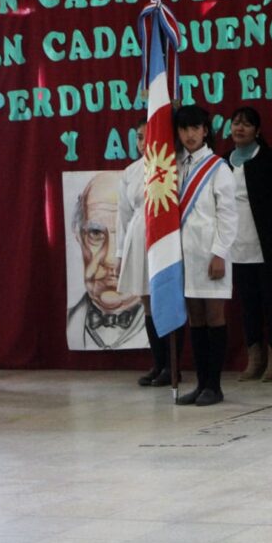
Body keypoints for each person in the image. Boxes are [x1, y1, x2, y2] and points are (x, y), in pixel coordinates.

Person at [225, 106, 272, 383]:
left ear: (258, 130)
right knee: (248, 304)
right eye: (235, 123)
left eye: (246, 124)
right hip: (236, 245)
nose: (239, 128)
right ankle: (254, 358)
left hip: (268, 245)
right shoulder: (221, 163)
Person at [173, 105, 237, 407]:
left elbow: (228, 216)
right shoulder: (174, 166)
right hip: (185, 255)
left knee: (213, 316)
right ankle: (200, 384)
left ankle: (215, 385)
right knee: (195, 318)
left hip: (211, 253)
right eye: (184, 129)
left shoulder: (218, 168)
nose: (190, 135)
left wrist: (219, 253)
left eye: (195, 128)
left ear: (205, 130)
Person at [116, 121, 184, 386]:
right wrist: (121, 253)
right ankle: (159, 363)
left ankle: (173, 365)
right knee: (147, 301)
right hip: (138, 234)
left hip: (165, 236)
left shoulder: (173, 166)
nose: (144, 142)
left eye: (149, 136)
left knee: (167, 297)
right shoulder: (131, 172)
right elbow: (122, 216)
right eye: (139, 137)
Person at [67, 172, 146, 351]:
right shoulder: (70, 321)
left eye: (126, 235)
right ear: (78, 236)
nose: (111, 260)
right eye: (95, 234)